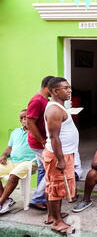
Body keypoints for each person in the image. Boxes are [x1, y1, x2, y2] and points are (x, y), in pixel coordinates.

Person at [43, 77, 79, 235]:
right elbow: (54, 137)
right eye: (65, 88)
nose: (69, 90)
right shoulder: (54, 110)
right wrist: (61, 159)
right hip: (59, 155)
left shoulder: (59, 107)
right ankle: (57, 222)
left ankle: (52, 215)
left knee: (53, 186)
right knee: (56, 188)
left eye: (69, 87)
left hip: (63, 153)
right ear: (55, 91)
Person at [0, 110, 38, 214]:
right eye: (21, 118)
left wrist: (31, 128)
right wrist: (4, 155)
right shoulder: (15, 132)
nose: (23, 120)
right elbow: (9, 148)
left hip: (29, 163)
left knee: (13, 175)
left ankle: (0, 203)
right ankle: (6, 200)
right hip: (13, 161)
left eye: (25, 117)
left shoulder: (36, 132)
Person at [27, 75, 54, 211]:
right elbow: (30, 122)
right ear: (47, 87)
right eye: (54, 88)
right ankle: (37, 198)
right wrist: (42, 141)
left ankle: (41, 199)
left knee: (43, 169)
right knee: (51, 168)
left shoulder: (45, 100)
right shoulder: (37, 100)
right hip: (39, 143)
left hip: (43, 141)